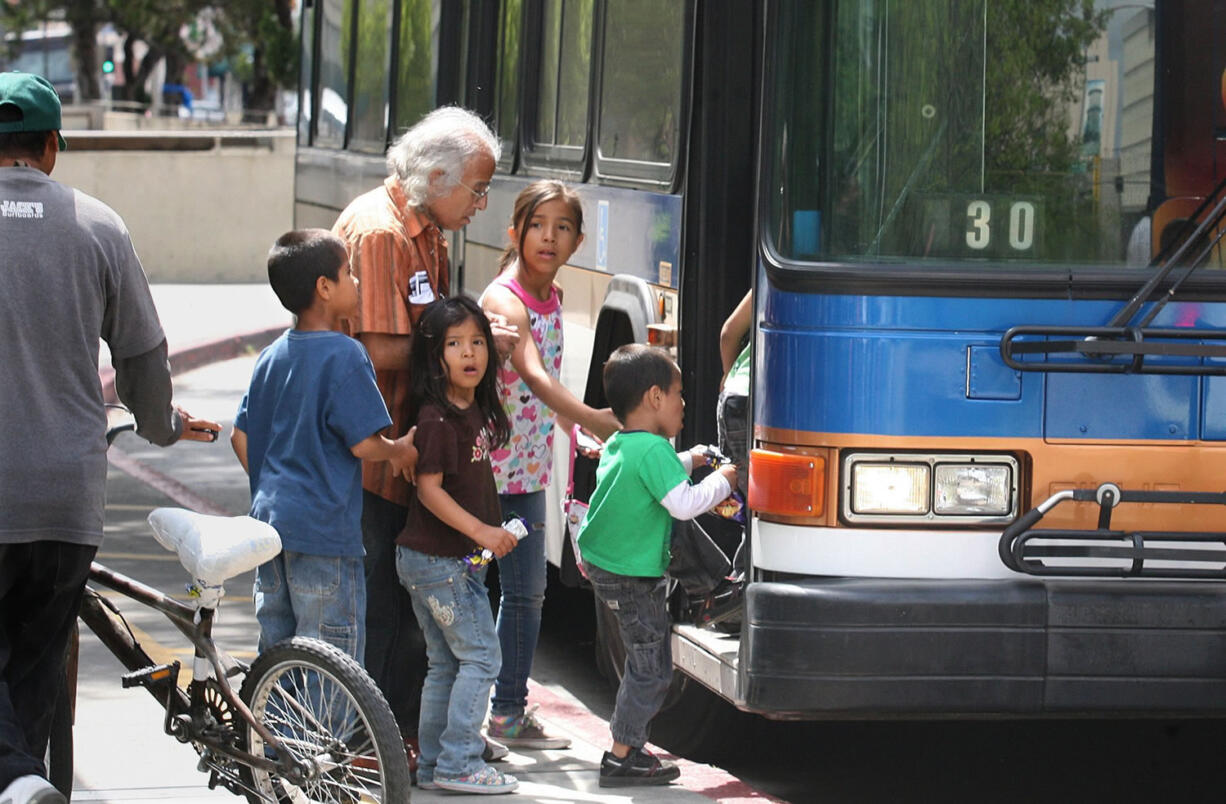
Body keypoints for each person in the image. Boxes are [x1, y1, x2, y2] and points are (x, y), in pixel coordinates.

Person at [0, 72, 219, 804]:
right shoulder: (98, 225)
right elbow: (144, 359)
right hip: (67, 497)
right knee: (31, 676)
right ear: (53, 148)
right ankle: (25, 784)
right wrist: (161, 427)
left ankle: (20, 780)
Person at [331, 106, 516, 761]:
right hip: (377, 454)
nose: (482, 204)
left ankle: (416, 731)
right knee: (381, 604)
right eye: (476, 188)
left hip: (414, 448)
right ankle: (365, 742)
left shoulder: (428, 231)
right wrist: (465, 347)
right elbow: (380, 347)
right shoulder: (383, 233)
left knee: (417, 609)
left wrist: (472, 342)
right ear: (438, 175)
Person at [478, 180, 620, 750]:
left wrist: (576, 431)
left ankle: (508, 711)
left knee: (527, 594)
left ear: (578, 241)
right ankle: (461, 722)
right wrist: (595, 416)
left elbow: (542, 392)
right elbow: (536, 376)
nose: (549, 237)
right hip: (483, 476)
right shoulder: (506, 298)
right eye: (538, 225)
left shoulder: (554, 296)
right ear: (516, 233)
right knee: (469, 592)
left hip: (528, 476)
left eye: (562, 228)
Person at [230, 229, 416, 663]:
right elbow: (364, 445)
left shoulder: (271, 355)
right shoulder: (345, 354)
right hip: (324, 532)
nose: (356, 282)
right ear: (325, 288)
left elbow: (240, 435)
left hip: (269, 528)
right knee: (330, 659)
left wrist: (272, 484)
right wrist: (400, 449)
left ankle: (273, 731)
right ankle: (324, 734)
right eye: (349, 273)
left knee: (278, 653)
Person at [576, 344, 738, 787]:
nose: (684, 403)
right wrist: (722, 481)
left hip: (609, 566)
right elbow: (684, 504)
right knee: (651, 668)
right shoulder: (652, 451)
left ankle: (714, 587)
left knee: (645, 661)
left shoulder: (624, 443)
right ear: (654, 398)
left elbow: (658, 472)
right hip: (632, 577)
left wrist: (695, 458)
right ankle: (621, 755)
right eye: (678, 393)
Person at [393, 296, 520, 794]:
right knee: (483, 658)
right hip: (437, 562)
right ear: (434, 355)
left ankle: (434, 766)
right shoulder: (438, 418)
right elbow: (428, 489)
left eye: (476, 342)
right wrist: (484, 532)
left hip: (447, 563)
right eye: (454, 344)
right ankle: (460, 763)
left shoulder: (470, 409)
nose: (469, 353)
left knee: (447, 662)